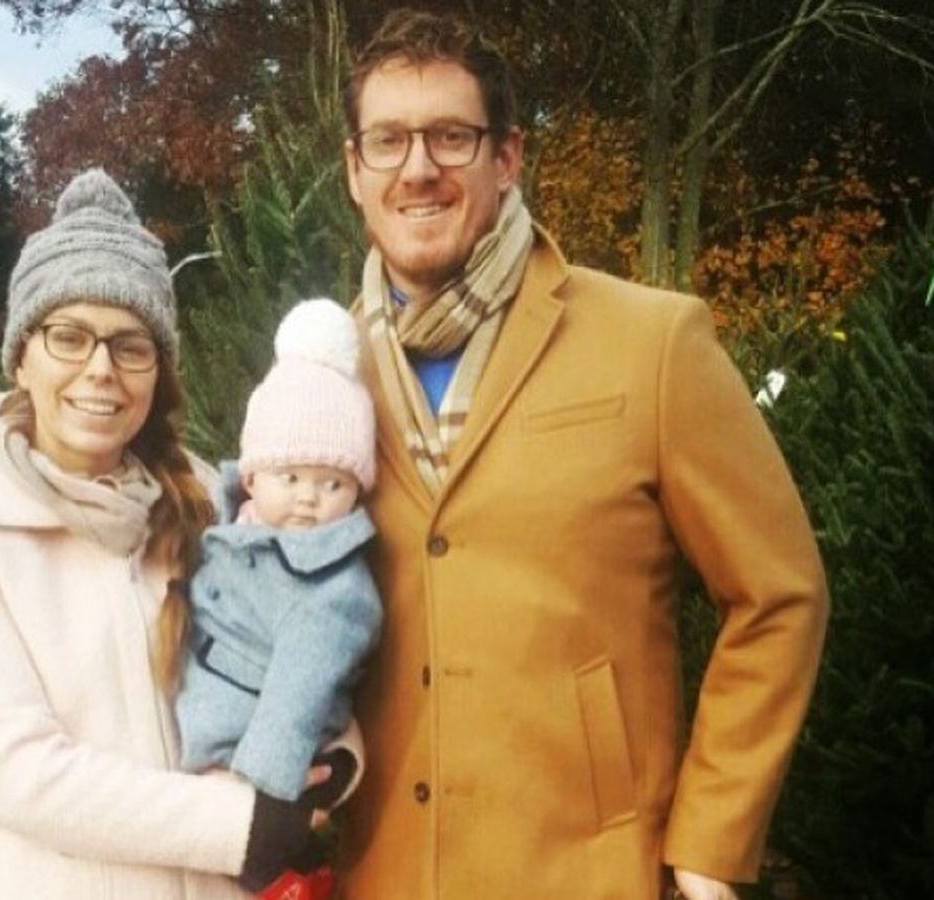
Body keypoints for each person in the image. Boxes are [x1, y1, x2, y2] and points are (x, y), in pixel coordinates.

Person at [336, 10, 829, 900]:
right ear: (354, 170)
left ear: (507, 157)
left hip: (587, 871)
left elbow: (779, 593)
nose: (418, 168)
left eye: (451, 136)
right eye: (388, 140)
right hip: (379, 876)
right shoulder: (322, 378)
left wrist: (712, 840)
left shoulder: (652, 343)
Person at [0, 168, 351, 899]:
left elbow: (311, 639)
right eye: (69, 337)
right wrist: (242, 825)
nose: (100, 370)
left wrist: (336, 758)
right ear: (22, 356)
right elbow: (18, 771)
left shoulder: (211, 505)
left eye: (131, 346)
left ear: (157, 370)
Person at [176, 298, 382, 805]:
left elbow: (297, 699)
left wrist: (256, 794)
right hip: (194, 717)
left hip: (240, 755)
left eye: (333, 483)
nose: (309, 498)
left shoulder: (335, 593)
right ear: (251, 477)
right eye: (290, 478)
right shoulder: (231, 519)